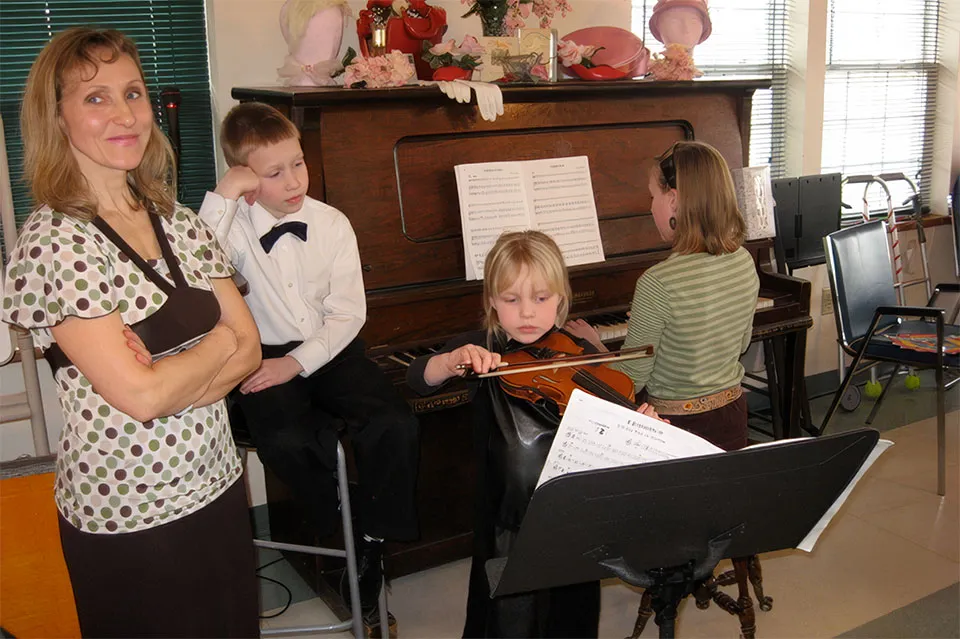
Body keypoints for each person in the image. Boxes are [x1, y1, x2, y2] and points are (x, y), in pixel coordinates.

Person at [1, 27, 262, 637]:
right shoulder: (56, 243)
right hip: (130, 517)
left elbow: (248, 349)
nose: (124, 115)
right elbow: (140, 397)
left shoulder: (178, 218)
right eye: (94, 99)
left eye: (133, 94)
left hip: (217, 486)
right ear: (57, 118)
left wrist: (182, 370)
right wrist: (215, 345)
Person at [197, 101, 419, 631]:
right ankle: (344, 531)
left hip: (329, 347)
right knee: (289, 441)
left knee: (395, 423)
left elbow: (348, 313)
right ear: (248, 178)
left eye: (298, 163)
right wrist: (225, 196)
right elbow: (193, 262)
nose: (294, 180)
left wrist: (299, 363)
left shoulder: (332, 223)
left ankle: (367, 543)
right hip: (260, 356)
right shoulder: (232, 227)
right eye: (274, 173)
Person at [407, 230, 663, 638]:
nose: (527, 313)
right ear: (491, 300)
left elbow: (611, 425)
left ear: (561, 299)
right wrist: (452, 362)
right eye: (511, 300)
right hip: (506, 522)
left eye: (541, 298)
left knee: (570, 616)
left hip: (572, 514)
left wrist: (639, 425)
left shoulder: (578, 352)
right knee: (508, 618)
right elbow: (419, 377)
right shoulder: (482, 349)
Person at [569, 140, 759, 452]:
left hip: (677, 429)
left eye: (652, 196)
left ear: (673, 201)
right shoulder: (742, 259)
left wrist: (596, 348)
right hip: (732, 419)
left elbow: (631, 380)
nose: (649, 206)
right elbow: (739, 343)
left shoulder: (657, 283)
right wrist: (666, 327)